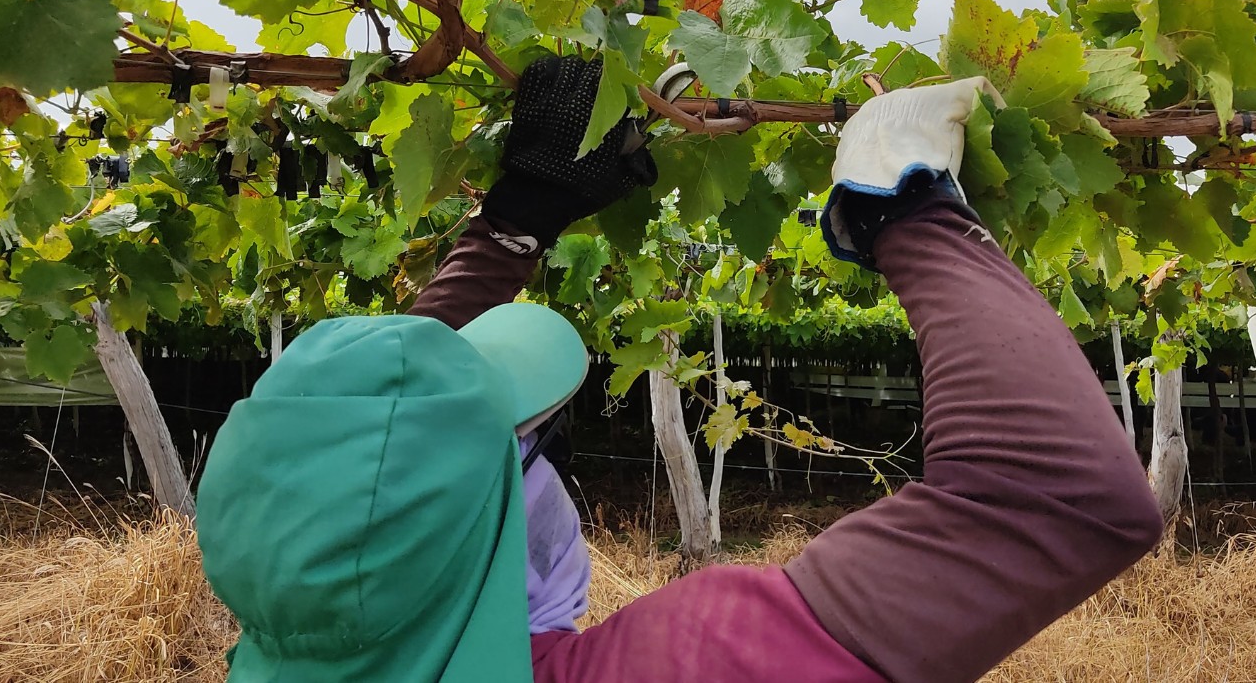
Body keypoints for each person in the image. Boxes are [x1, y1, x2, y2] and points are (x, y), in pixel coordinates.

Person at [193, 57, 1164, 683]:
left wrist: (517, 217)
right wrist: (903, 201)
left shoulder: (283, 629)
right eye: (503, 451)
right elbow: (1057, 498)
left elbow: (365, 459)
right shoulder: (656, 672)